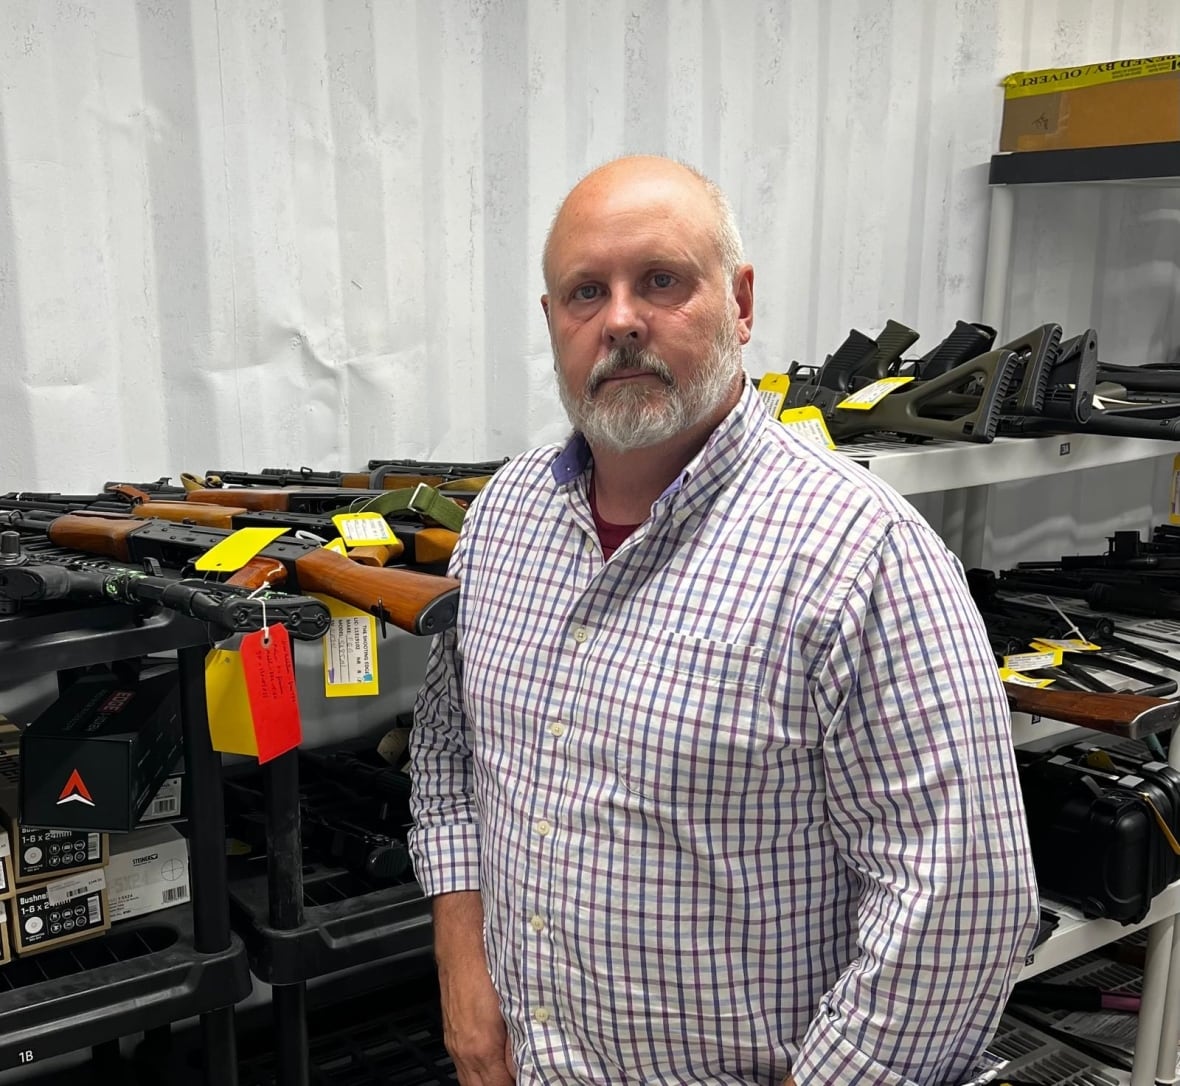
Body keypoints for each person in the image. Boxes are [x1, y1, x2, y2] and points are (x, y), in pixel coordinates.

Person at [408, 154, 1038, 1086]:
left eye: (661, 281)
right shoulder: (503, 520)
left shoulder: (858, 556)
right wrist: (466, 989)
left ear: (740, 304)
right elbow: (450, 757)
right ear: (553, 326)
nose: (620, 319)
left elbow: (959, 903)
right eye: (587, 292)